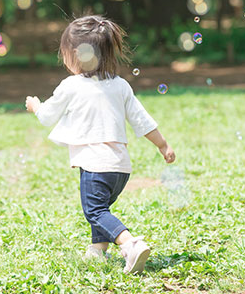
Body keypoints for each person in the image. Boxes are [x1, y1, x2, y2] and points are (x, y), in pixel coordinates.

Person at [25, 15, 175, 275]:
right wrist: (163, 145)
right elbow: (142, 120)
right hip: (120, 168)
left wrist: (35, 106)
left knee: (95, 211)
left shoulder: (71, 86)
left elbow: (47, 116)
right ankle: (97, 250)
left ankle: (130, 244)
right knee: (101, 209)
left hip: (94, 165)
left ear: (76, 55)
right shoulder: (120, 85)